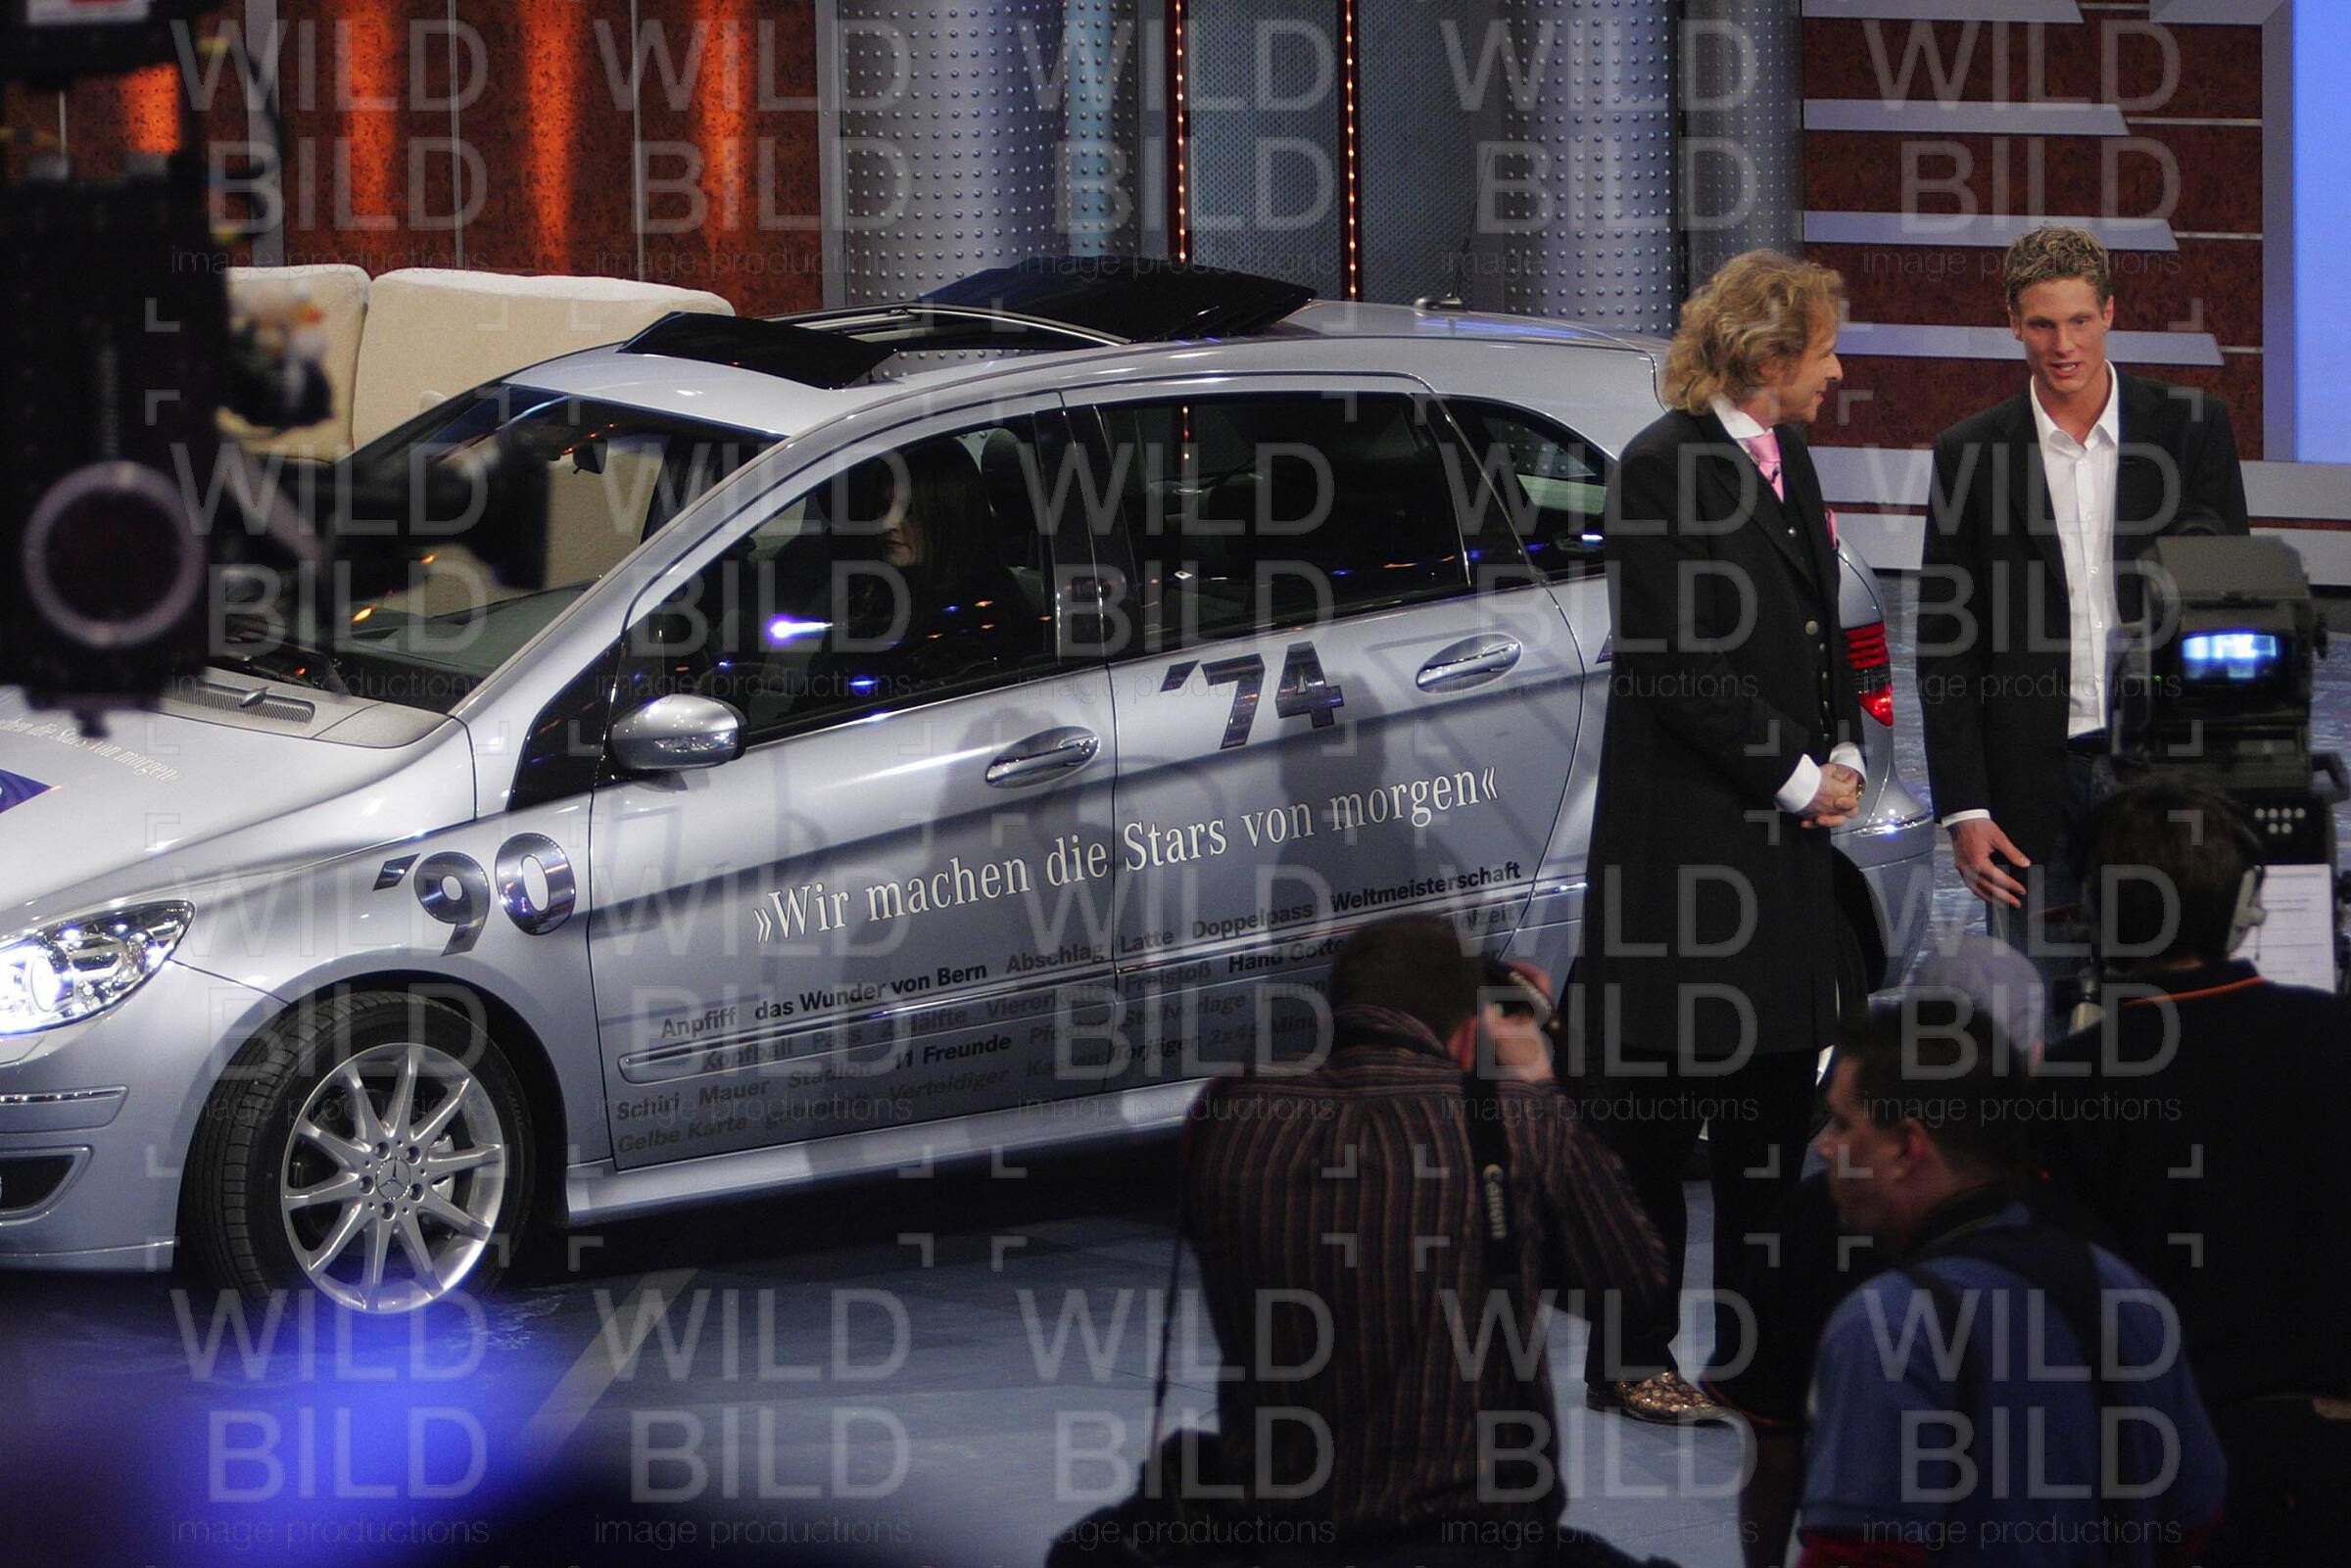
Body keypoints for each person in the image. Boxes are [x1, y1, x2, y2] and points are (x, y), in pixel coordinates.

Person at [1079, 915, 1670, 1566]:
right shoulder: (1513, 1120)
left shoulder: (1232, 1114)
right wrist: (1540, 1075)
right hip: (1464, 1537)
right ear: (1470, 1033)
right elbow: (1635, 1286)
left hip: (1272, 1539)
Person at [1571, 250, 1865, 1423]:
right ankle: (1630, 1355)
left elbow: (1816, 625)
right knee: (1651, 1124)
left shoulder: (1789, 452)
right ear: (1767, 357)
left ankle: (1752, 1356)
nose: (1836, 374)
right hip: (1684, 859)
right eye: (1824, 353)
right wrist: (1798, 777)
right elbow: (1676, 662)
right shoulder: (1661, 468)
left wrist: (1841, 751)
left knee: (1767, 1123)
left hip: (1780, 857)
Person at [1918, 226, 2249, 982]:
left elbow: (2226, 606)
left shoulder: (2192, 429)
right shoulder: (1970, 452)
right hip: (2028, 789)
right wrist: (1964, 809)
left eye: (2078, 321)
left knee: (2169, 999)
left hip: (2163, 774)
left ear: (2109, 313)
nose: (2062, 345)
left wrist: (2221, 780)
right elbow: (1948, 643)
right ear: (2013, 322)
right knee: (2040, 1012)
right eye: (2042, 324)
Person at [2035, 781, 2351, 1565]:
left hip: (2158, 1470)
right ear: (2245, 905)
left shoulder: (2070, 1082)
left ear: (2099, 916)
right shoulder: (2333, 1035)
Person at [1799, 994, 2225, 1567]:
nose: (1824, 1146)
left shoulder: (1888, 1326)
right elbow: (2196, 1521)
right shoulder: (2126, 1292)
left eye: (1843, 1123)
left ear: (1906, 1146)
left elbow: (1855, 1555)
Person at [1705, 936, 2045, 1568]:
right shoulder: (2097, 1248)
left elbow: (1775, 1450)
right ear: (2034, 1059)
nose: (1826, 1146)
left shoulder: (1848, 1280)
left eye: (1840, 1123)